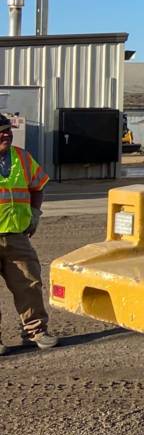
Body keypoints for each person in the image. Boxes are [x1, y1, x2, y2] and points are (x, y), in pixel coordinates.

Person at [0, 119, 58, 352]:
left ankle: (35, 331)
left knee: (29, 284)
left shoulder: (22, 157)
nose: (6, 136)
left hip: (17, 236)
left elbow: (38, 185)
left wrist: (34, 214)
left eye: (8, 132)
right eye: (1, 133)